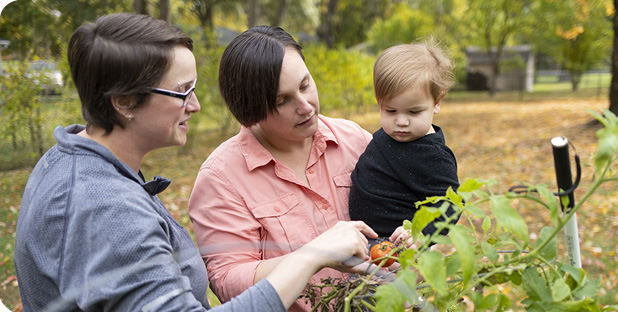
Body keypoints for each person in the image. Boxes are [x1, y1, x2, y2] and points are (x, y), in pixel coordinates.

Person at [14, 13, 377, 312]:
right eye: (181, 92)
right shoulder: (106, 208)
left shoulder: (70, 159)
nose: (196, 105)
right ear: (124, 102)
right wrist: (312, 255)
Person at [188, 26, 376, 311]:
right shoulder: (221, 178)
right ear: (249, 110)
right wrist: (313, 255)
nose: (305, 107)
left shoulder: (356, 141)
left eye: (305, 85)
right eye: (282, 101)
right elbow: (228, 281)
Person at [348, 40, 460, 247]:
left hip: (396, 248)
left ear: (437, 102)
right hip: (366, 243)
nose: (401, 121)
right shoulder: (390, 134)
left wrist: (421, 234)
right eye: (390, 111)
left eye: (414, 112)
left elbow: (451, 205)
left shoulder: (432, 155)